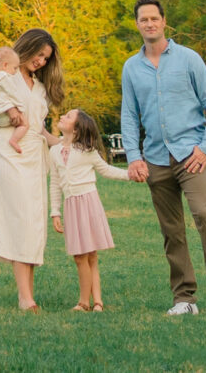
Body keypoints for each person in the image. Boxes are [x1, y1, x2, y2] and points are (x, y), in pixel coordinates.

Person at [119, 0, 206, 320]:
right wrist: (134, 157)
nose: (149, 24)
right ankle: (184, 298)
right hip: (156, 159)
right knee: (172, 231)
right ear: (137, 25)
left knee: (203, 216)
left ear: (163, 21)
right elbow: (129, 116)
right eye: (143, 20)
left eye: (154, 18)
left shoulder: (188, 59)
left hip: (191, 155)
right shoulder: (131, 68)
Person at [0, 28, 59, 310]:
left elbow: (39, 127)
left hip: (35, 154)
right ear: (28, 47)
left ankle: (28, 293)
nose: (42, 62)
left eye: (46, 59)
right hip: (10, 151)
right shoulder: (3, 75)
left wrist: (65, 143)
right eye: (39, 55)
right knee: (21, 220)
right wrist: (8, 110)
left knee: (34, 224)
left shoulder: (40, 87)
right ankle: (25, 298)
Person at [48, 108, 130, 310]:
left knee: (87, 255)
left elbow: (106, 170)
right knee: (82, 256)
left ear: (76, 130)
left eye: (67, 117)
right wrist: (55, 211)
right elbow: (55, 183)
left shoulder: (87, 151)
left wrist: (130, 174)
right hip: (71, 206)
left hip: (88, 203)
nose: (61, 117)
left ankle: (88, 302)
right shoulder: (55, 151)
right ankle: (94, 302)